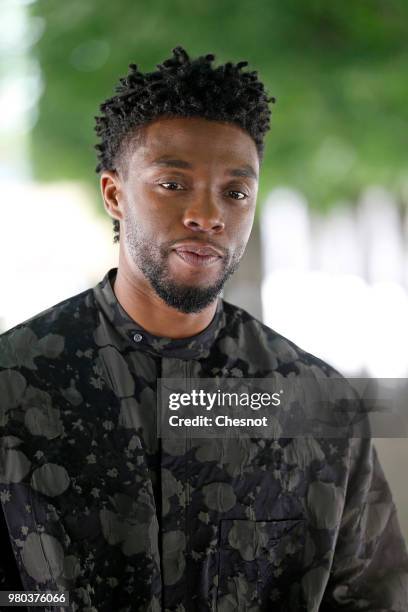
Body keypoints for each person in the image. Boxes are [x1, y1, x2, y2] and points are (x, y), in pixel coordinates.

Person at [0, 46, 407, 612]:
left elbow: (371, 594)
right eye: (173, 184)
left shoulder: (316, 403)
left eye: (235, 192)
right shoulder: (14, 387)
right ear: (114, 194)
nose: (208, 214)